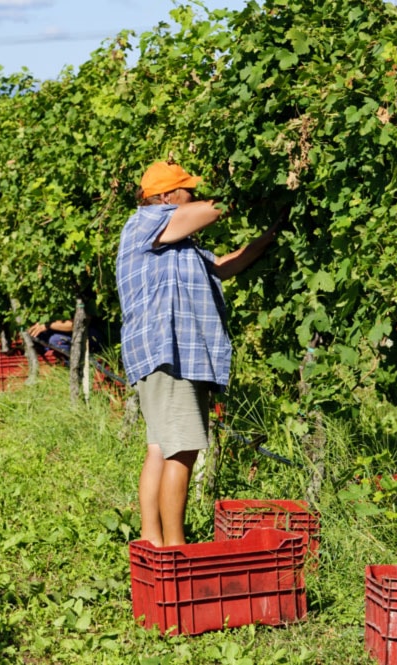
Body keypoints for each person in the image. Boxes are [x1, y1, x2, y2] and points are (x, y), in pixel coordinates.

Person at [116, 161, 279, 547]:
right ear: (168, 197)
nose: (195, 196)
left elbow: (223, 266)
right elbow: (213, 208)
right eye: (188, 190)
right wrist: (250, 190)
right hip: (167, 352)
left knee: (160, 448)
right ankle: (176, 547)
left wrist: (267, 238)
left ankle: (152, 542)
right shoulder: (147, 222)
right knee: (183, 450)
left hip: (163, 355)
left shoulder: (176, 245)